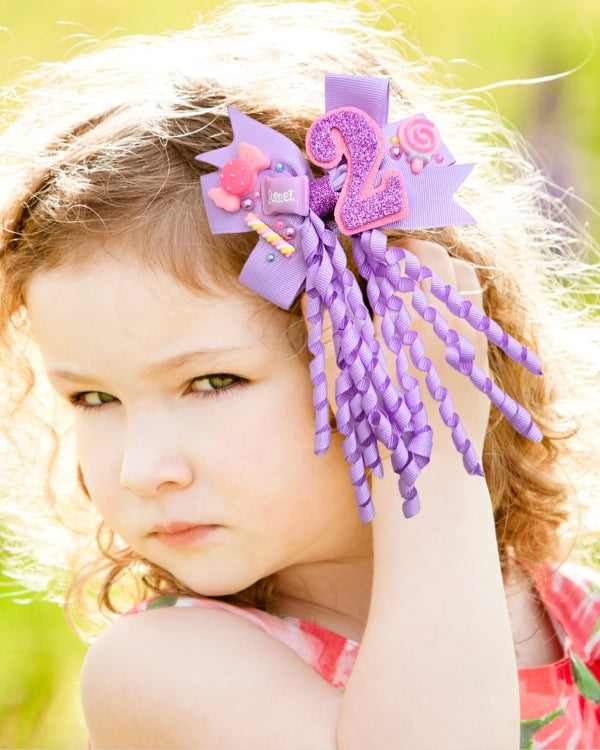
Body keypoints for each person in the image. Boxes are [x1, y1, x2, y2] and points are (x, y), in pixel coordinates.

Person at [1, 2, 599, 747]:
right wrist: (431, 467)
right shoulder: (167, 670)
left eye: (212, 383)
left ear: (390, 348)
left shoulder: (576, 620)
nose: (142, 469)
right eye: (92, 398)